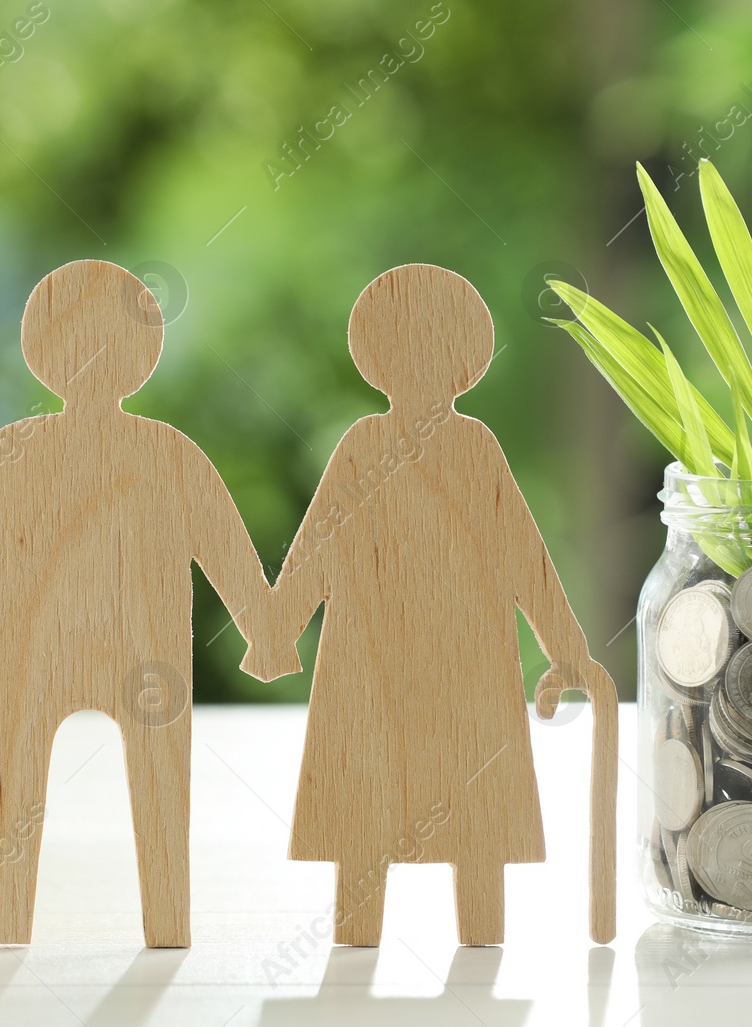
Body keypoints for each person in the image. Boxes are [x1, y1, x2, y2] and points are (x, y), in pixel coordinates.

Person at [0, 260, 272, 947]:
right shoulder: (163, 452)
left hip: (77, 657)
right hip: (90, 657)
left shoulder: (16, 452)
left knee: (70, 786)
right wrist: (264, 631)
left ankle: (45, 928)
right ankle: (124, 926)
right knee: (91, 787)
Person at [245, 263, 612, 946]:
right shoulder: (385, 448)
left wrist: (568, 650)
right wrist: (276, 627)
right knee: (377, 808)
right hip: (390, 665)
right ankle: (394, 935)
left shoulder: (460, 448)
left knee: (459, 813)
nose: (418, 366)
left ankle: (464, 936)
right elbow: (320, 547)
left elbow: (521, 556)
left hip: (448, 666)